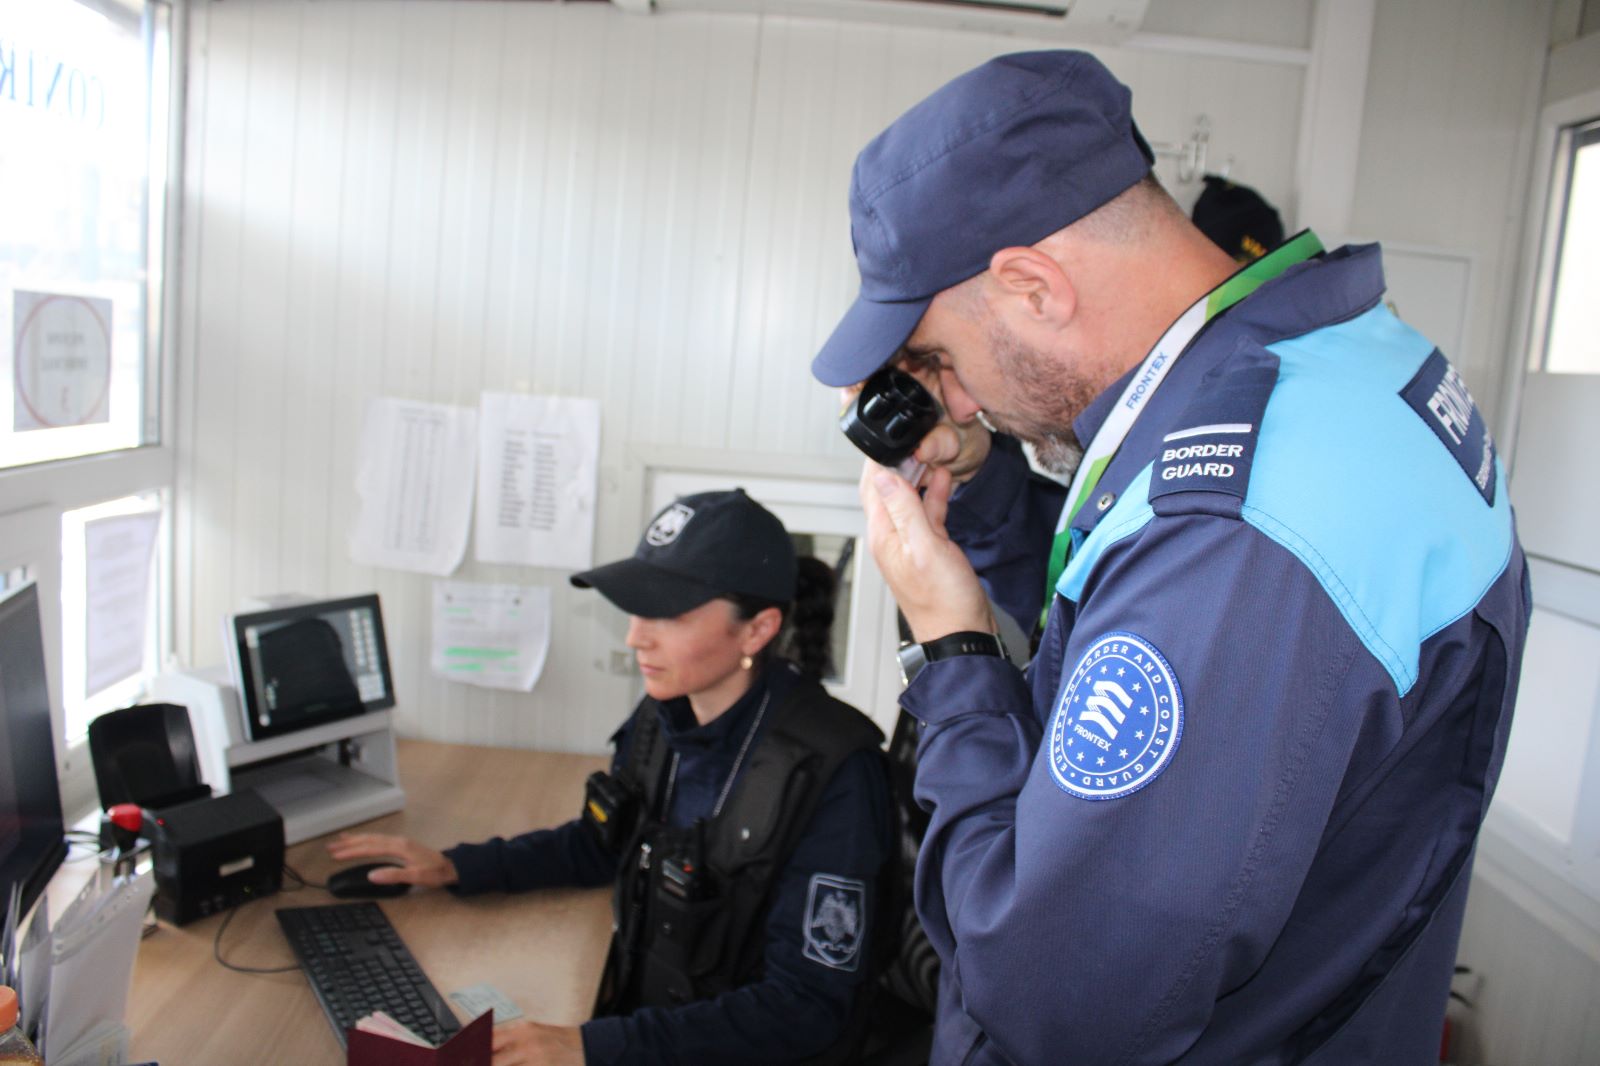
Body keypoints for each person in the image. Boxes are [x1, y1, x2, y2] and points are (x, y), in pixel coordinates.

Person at [810, 50, 1529, 1066]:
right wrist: (982, 494)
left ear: (1031, 286)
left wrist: (953, 652)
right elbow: (1117, 614)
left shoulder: (1235, 533)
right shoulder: (1336, 365)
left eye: (938, 358)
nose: (955, 403)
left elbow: (1049, 999)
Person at [330, 489, 893, 1066]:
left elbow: (806, 1008)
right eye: (637, 609)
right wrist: (458, 867)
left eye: (669, 614)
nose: (635, 637)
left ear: (757, 630)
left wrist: (590, 1046)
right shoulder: (665, 714)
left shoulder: (836, 772)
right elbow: (602, 845)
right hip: (649, 1028)